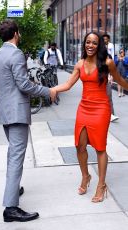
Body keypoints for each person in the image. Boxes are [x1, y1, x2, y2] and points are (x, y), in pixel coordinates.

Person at [0, 19, 56, 222]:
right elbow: (23, 85)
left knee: (13, 153)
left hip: (4, 111)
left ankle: (13, 189)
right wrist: (48, 91)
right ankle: (10, 209)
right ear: (16, 33)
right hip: (17, 112)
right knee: (16, 157)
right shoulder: (16, 53)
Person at [53, 32, 128, 203]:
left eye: (94, 43)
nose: (90, 45)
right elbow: (68, 84)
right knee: (80, 146)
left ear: (99, 45)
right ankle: (85, 176)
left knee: (100, 148)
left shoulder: (107, 63)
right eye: (88, 42)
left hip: (101, 109)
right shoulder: (79, 64)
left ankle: (101, 185)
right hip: (84, 108)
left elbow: (120, 80)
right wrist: (54, 89)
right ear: (84, 44)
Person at [102, 34, 119, 122]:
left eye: (106, 39)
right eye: (103, 39)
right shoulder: (100, 50)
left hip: (107, 80)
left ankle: (111, 114)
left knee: (109, 97)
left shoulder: (111, 46)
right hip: (99, 82)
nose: (105, 40)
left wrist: (111, 76)